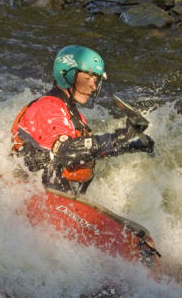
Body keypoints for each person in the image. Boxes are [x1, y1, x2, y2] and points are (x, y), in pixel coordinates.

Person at [11, 45, 154, 195]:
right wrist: (121, 136)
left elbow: (87, 152)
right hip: (27, 194)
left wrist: (130, 146)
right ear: (66, 76)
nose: (93, 86)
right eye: (87, 78)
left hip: (55, 197)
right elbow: (66, 151)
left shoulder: (74, 116)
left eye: (96, 80)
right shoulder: (48, 107)